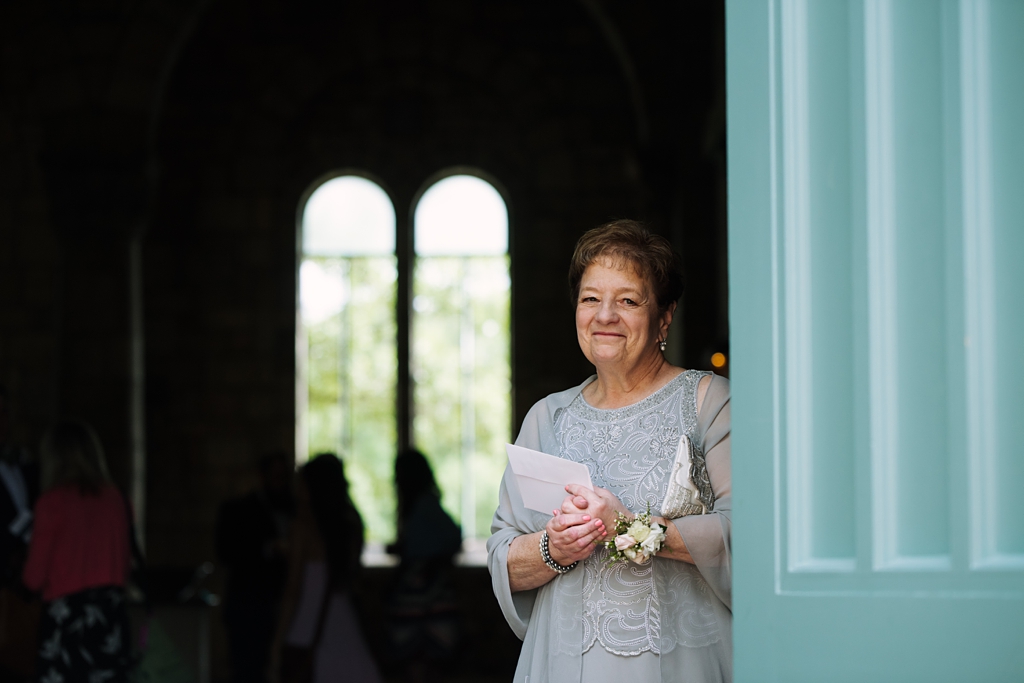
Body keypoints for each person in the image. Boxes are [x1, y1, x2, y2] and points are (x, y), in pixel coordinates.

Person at [487, 220, 732, 682]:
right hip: (562, 665)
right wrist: (553, 547)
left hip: (678, 663)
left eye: (628, 300)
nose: (604, 316)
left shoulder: (709, 401)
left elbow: (748, 538)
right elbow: (505, 559)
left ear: (664, 316)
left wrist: (632, 529)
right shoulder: (547, 417)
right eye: (590, 298)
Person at [23, 419, 133, 683]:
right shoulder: (116, 500)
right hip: (109, 618)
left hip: (67, 621)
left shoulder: (53, 503)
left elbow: (33, 578)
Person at [271, 453, 381, 683]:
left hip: (307, 628)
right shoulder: (349, 526)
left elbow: (293, 590)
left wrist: (276, 643)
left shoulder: (301, 528)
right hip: (344, 627)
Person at [216, 450, 295, 683]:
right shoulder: (240, 511)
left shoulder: (294, 508)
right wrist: (269, 549)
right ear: (263, 476)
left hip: (280, 606)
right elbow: (227, 553)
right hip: (248, 610)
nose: (279, 482)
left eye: (283, 476)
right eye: (275, 476)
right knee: (247, 671)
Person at [386, 448, 462, 682]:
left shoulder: (424, 506)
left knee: (421, 663)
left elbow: (452, 538)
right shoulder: (420, 507)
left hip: (425, 594)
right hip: (425, 594)